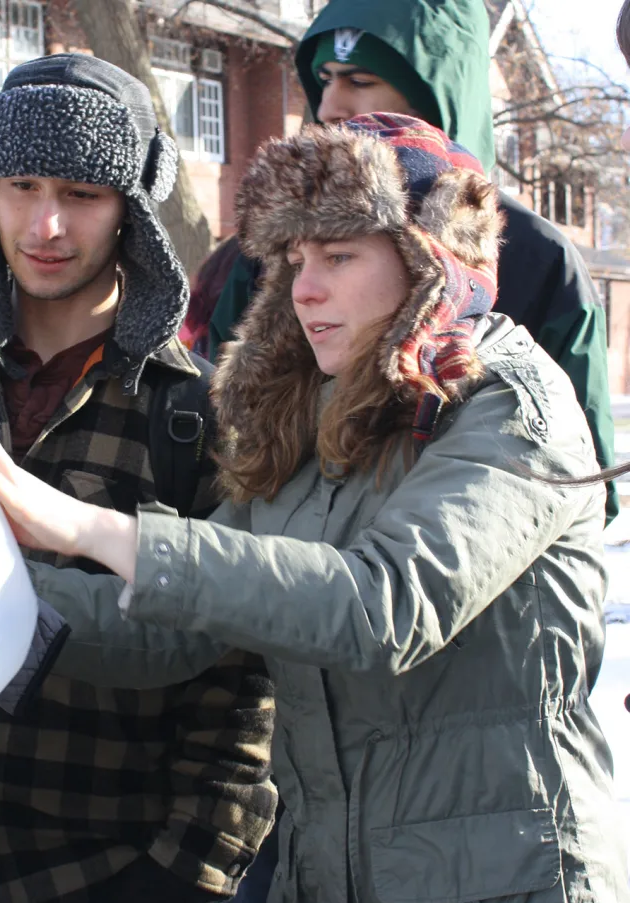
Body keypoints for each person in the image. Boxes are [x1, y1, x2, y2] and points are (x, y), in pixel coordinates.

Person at [0, 114, 630, 903]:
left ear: (430, 260)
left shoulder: (508, 405)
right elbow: (174, 632)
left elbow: (382, 605)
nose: (304, 290)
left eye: (339, 256)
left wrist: (88, 526)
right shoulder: (312, 417)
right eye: (293, 260)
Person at [0, 53, 277, 903]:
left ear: (132, 205)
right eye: (22, 185)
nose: (46, 224)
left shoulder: (200, 419)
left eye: (82, 192)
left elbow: (245, 691)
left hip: (106, 890)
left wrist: (170, 889)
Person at [208, 0, 619, 526]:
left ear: (437, 95)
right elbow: (225, 442)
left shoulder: (543, 260)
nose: (331, 106)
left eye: (359, 80)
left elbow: (583, 483)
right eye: (324, 80)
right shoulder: (257, 258)